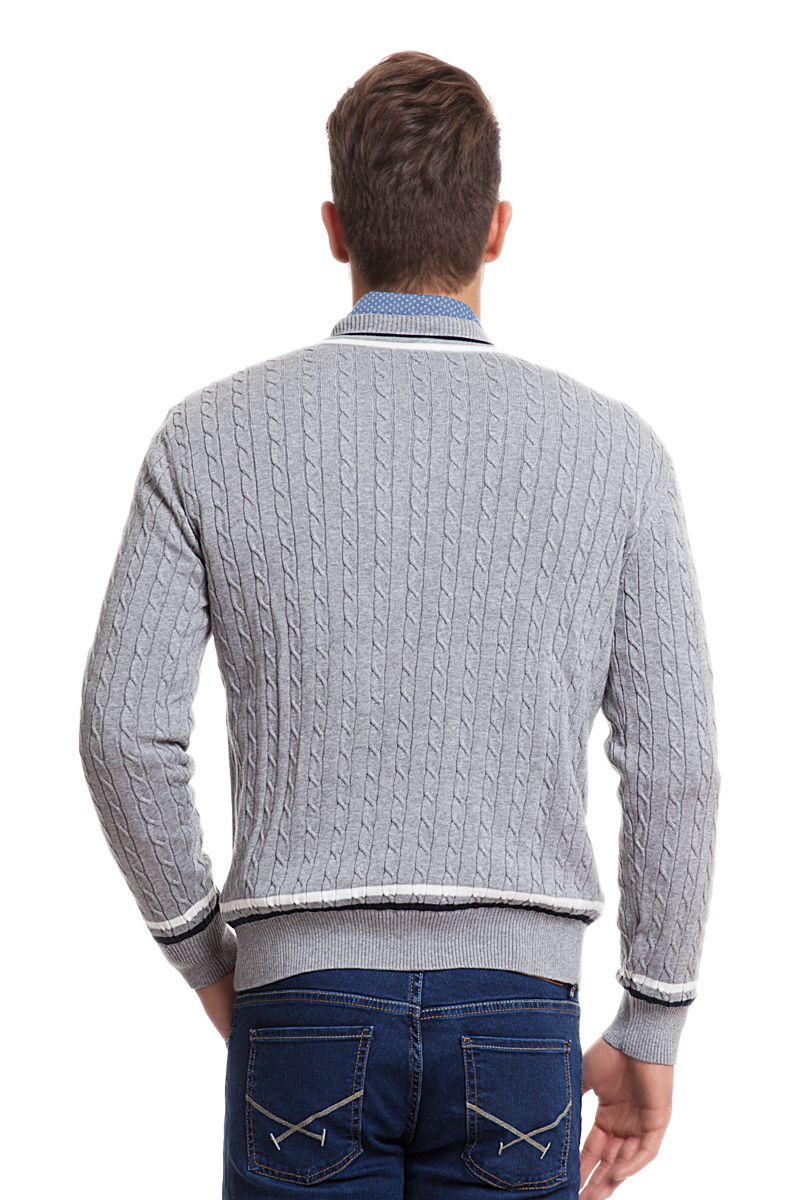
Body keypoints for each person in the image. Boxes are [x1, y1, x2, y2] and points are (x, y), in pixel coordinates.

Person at [78, 50, 720, 1200]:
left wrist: (212, 962)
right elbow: (676, 767)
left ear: (336, 229)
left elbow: (123, 732)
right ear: (496, 228)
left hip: (299, 1002)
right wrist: (652, 1020)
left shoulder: (207, 438)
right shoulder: (615, 455)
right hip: (519, 1013)